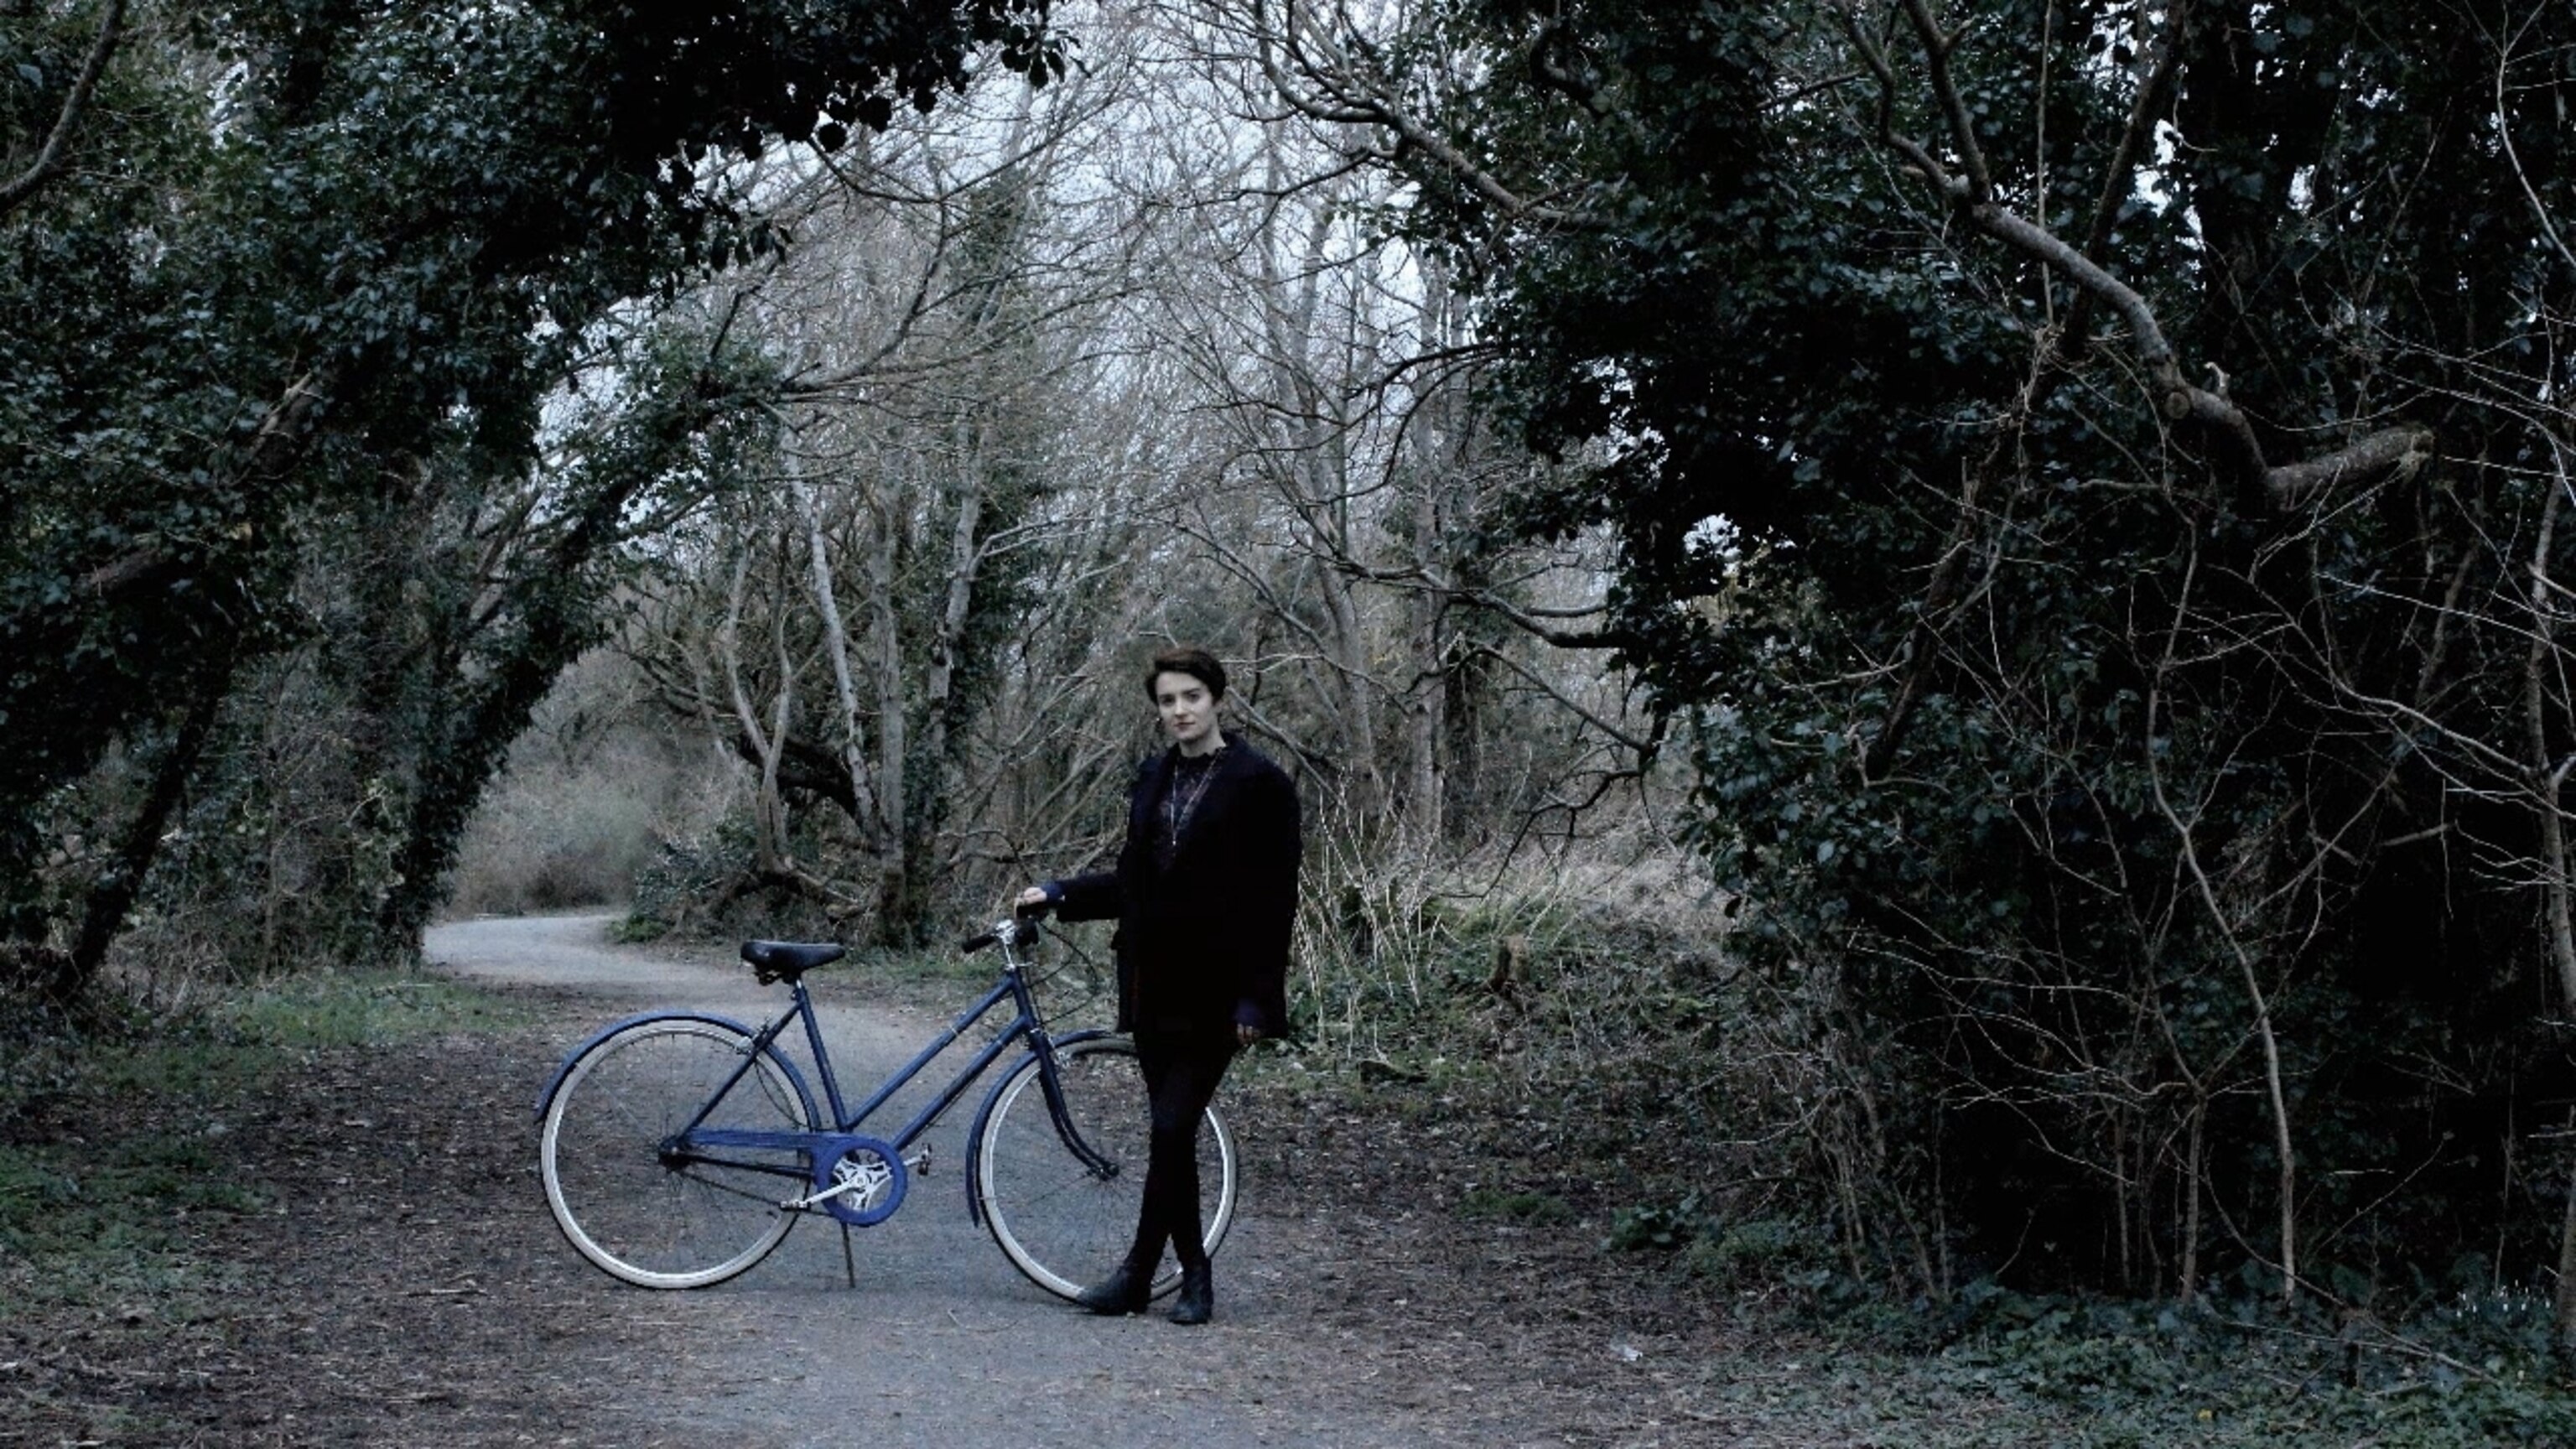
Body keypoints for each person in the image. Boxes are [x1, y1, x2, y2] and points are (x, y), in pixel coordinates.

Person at [1015, 646, 1301, 1326]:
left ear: (1216, 699)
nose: (1179, 711)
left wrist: (1258, 998)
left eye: (1191, 697)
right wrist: (1058, 893)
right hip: (1152, 986)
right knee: (1167, 1136)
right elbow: (1134, 885)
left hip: (1220, 989)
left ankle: (1172, 1273)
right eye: (1168, 701)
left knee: (1173, 1125)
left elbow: (1275, 901)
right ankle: (1153, 1277)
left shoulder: (1261, 783)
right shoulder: (1152, 778)